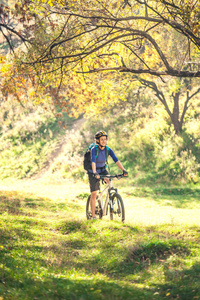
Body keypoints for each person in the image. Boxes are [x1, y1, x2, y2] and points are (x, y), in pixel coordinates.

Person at [88, 130, 128, 220]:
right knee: (94, 193)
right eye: (101, 139)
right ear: (97, 141)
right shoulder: (94, 149)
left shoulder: (108, 149)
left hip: (102, 170)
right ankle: (93, 216)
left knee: (109, 182)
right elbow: (93, 161)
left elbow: (116, 160)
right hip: (93, 171)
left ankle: (108, 200)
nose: (104, 141)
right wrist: (94, 172)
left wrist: (123, 170)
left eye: (105, 139)